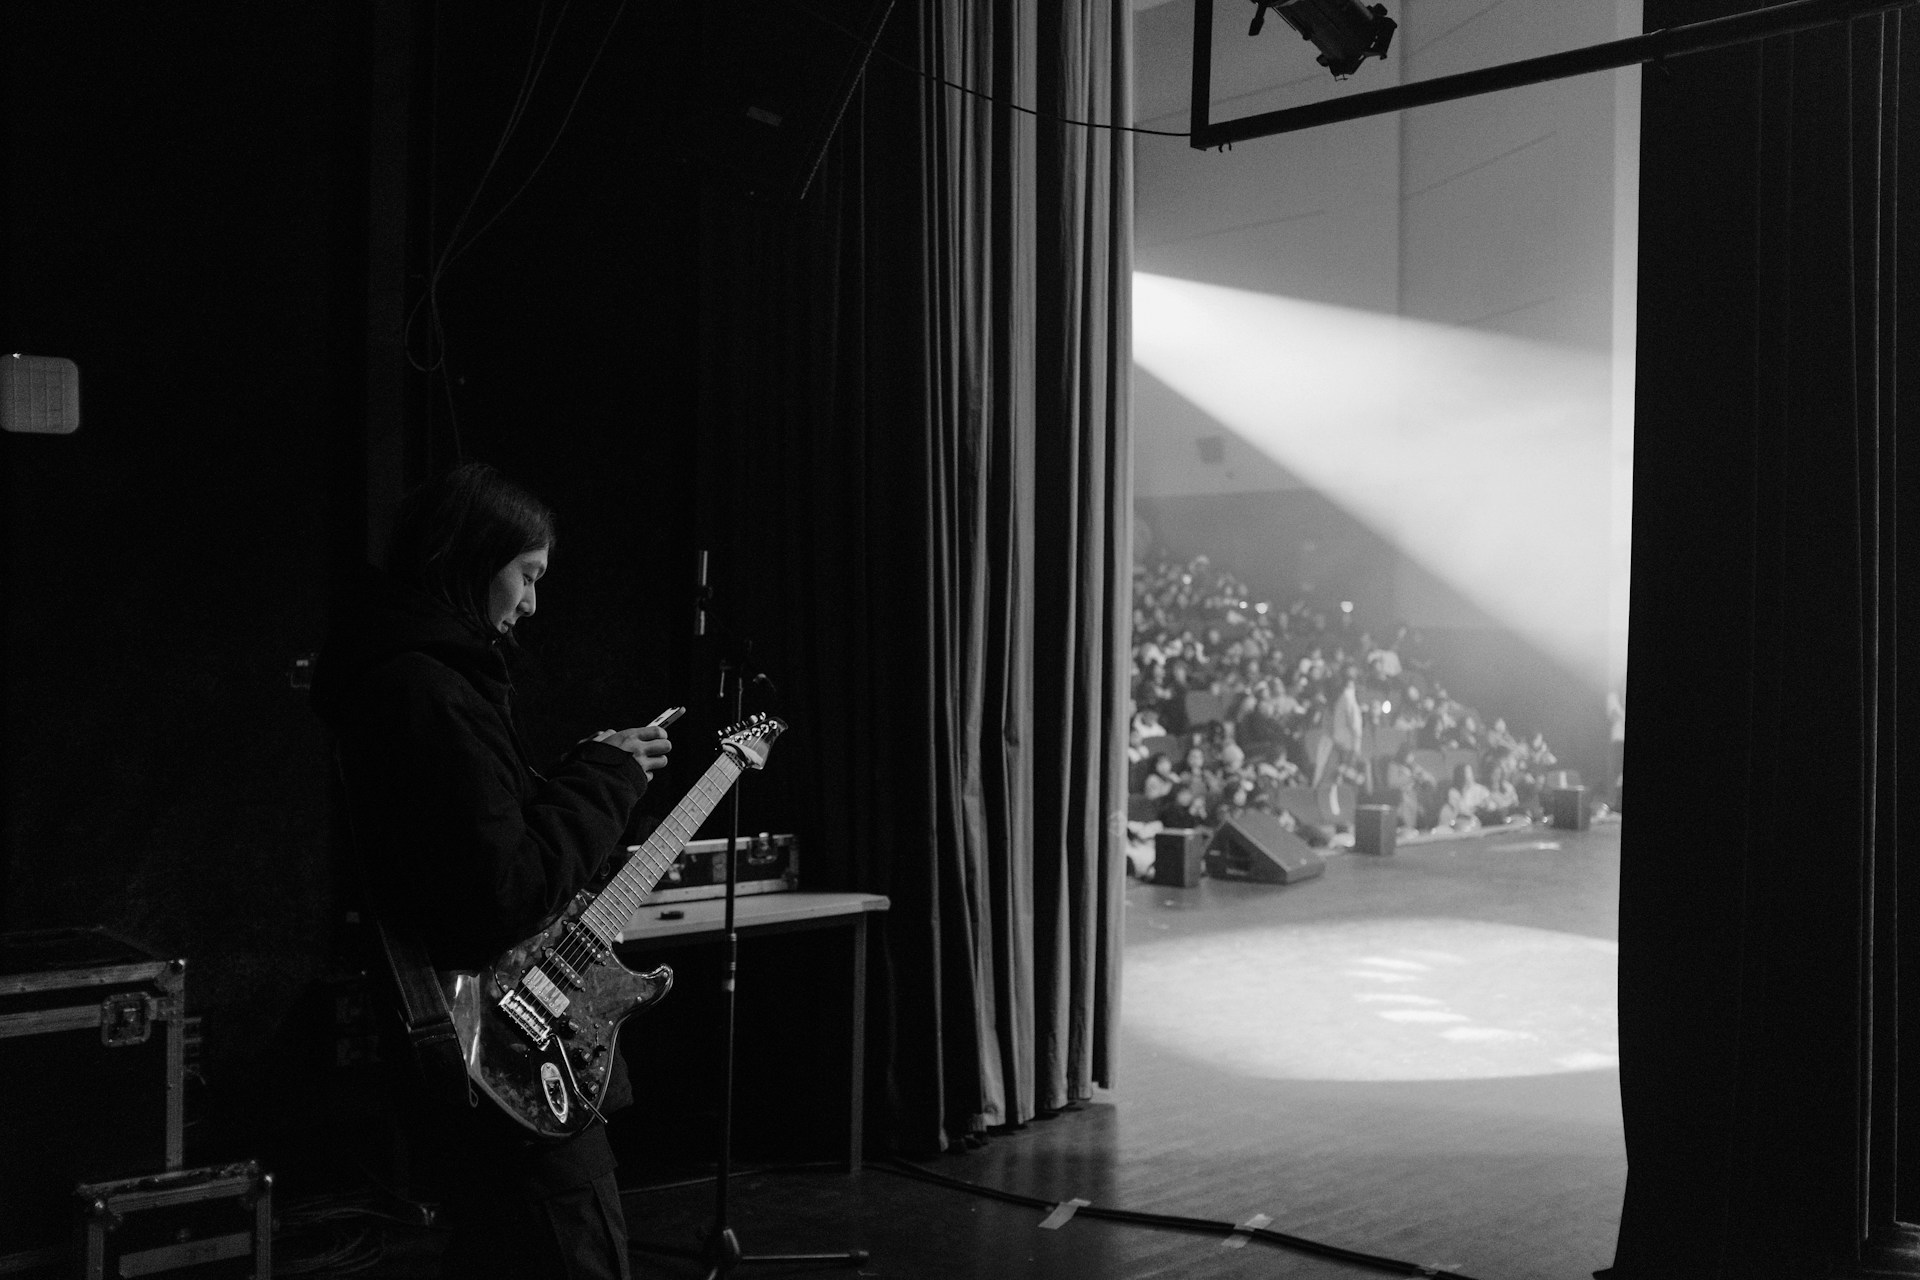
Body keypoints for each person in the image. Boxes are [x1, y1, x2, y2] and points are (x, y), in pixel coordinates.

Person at [311, 462, 670, 1280]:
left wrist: (590, 770)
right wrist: (607, 779)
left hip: (477, 1048)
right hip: (505, 1060)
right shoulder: (429, 693)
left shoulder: (402, 678)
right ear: (473, 560)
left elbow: (484, 839)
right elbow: (504, 894)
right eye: (527, 575)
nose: (532, 605)